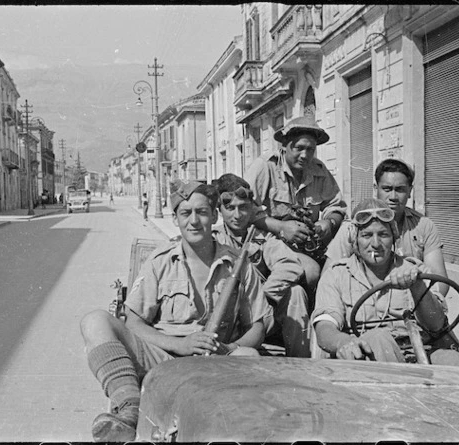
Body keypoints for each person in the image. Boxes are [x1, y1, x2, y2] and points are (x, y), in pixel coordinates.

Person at [80, 179, 273, 441]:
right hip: (163, 358)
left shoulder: (237, 263)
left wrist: (228, 349)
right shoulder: (160, 262)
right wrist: (179, 344)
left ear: (214, 215)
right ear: (176, 219)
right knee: (94, 321)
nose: (194, 221)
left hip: (216, 361)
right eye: (186, 213)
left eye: (202, 212)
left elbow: (257, 327)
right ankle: (129, 409)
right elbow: (133, 324)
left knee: (249, 355)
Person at [312, 198, 459, 367]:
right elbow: (325, 328)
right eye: (367, 235)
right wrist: (343, 342)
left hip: (419, 351)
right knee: (378, 338)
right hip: (366, 360)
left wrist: (416, 286)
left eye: (383, 234)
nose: (375, 244)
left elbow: (437, 325)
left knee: (455, 362)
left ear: (394, 236)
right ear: (354, 238)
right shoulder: (336, 275)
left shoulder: (416, 270)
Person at [245, 116, 347, 295]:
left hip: (309, 245)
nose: (305, 155)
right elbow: (245, 211)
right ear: (284, 145)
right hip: (270, 242)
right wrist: (281, 227)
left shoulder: (319, 169)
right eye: (299, 148)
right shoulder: (264, 167)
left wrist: (328, 223)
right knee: (312, 273)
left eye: (310, 150)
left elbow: (337, 206)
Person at [212, 173, 310, 357]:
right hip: (227, 316)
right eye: (230, 208)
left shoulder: (261, 236)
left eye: (243, 208)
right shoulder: (214, 240)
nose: (237, 215)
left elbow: (289, 264)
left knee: (295, 292)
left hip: (260, 313)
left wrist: (264, 297)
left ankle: (300, 361)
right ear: (220, 211)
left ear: (251, 209)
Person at [325, 158, 450, 295]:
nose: (393, 196)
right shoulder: (355, 226)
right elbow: (328, 277)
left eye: (400, 190)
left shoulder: (424, 226)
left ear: (410, 191)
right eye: (387, 189)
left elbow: (440, 282)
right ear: (375, 189)